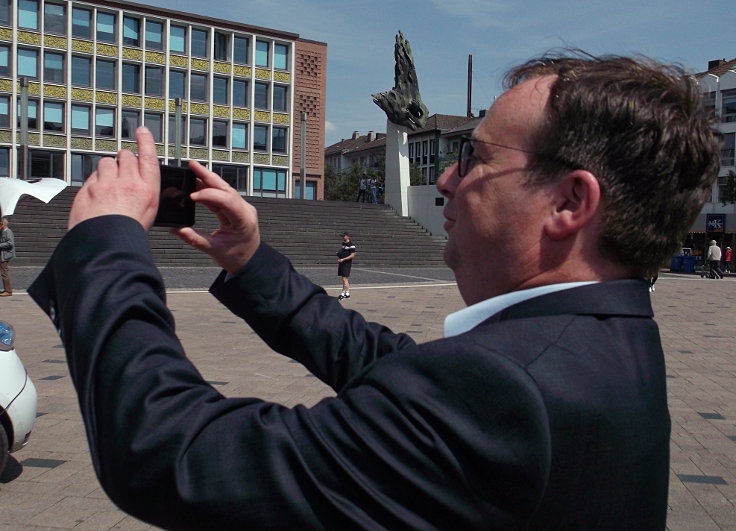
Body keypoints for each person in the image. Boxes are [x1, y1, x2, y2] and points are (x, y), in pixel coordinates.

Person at [27, 51, 720, 529]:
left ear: (570, 202)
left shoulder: (504, 391)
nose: (446, 180)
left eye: (473, 156)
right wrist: (253, 261)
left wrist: (106, 244)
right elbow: (391, 369)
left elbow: (172, 452)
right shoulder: (613, 334)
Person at [336, 232, 356, 300]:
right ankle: (347, 293)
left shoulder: (351, 245)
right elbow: (343, 251)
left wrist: (344, 259)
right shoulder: (343, 244)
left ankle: (343, 293)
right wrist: (339, 254)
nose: (343, 238)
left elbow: (352, 255)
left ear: (347, 236)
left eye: (344, 236)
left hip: (346, 263)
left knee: (345, 279)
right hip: (342, 262)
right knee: (343, 279)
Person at [0, 217, 15, 297]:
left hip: (5, 255)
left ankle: (8, 291)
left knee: (4, 273)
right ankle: (6, 289)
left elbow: (10, 243)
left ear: (4, 224)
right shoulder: (3, 231)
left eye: (0, 223)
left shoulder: (8, 231)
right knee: (3, 273)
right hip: (2, 255)